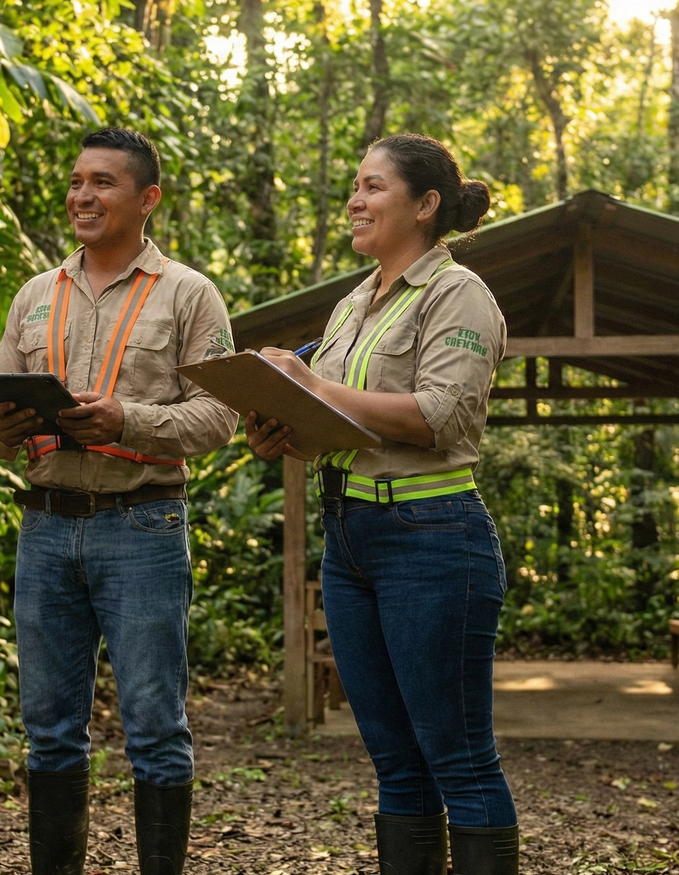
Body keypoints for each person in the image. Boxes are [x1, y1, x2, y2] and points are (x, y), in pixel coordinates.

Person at [247, 134, 517, 875]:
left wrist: (309, 389)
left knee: (458, 757)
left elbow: (441, 417)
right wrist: (283, 429)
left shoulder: (459, 294)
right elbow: (340, 426)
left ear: (426, 205)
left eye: (373, 187)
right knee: (396, 763)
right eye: (355, 187)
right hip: (350, 538)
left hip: (431, 538)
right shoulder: (349, 306)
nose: (355, 201)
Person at [0, 128, 237, 875]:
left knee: (156, 726)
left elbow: (219, 418)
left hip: (143, 526)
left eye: (103, 183)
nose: (82, 197)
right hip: (47, 529)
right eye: (76, 182)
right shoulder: (36, 294)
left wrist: (127, 419)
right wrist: (5, 423)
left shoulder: (190, 294)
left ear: (147, 198)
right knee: (50, 730)